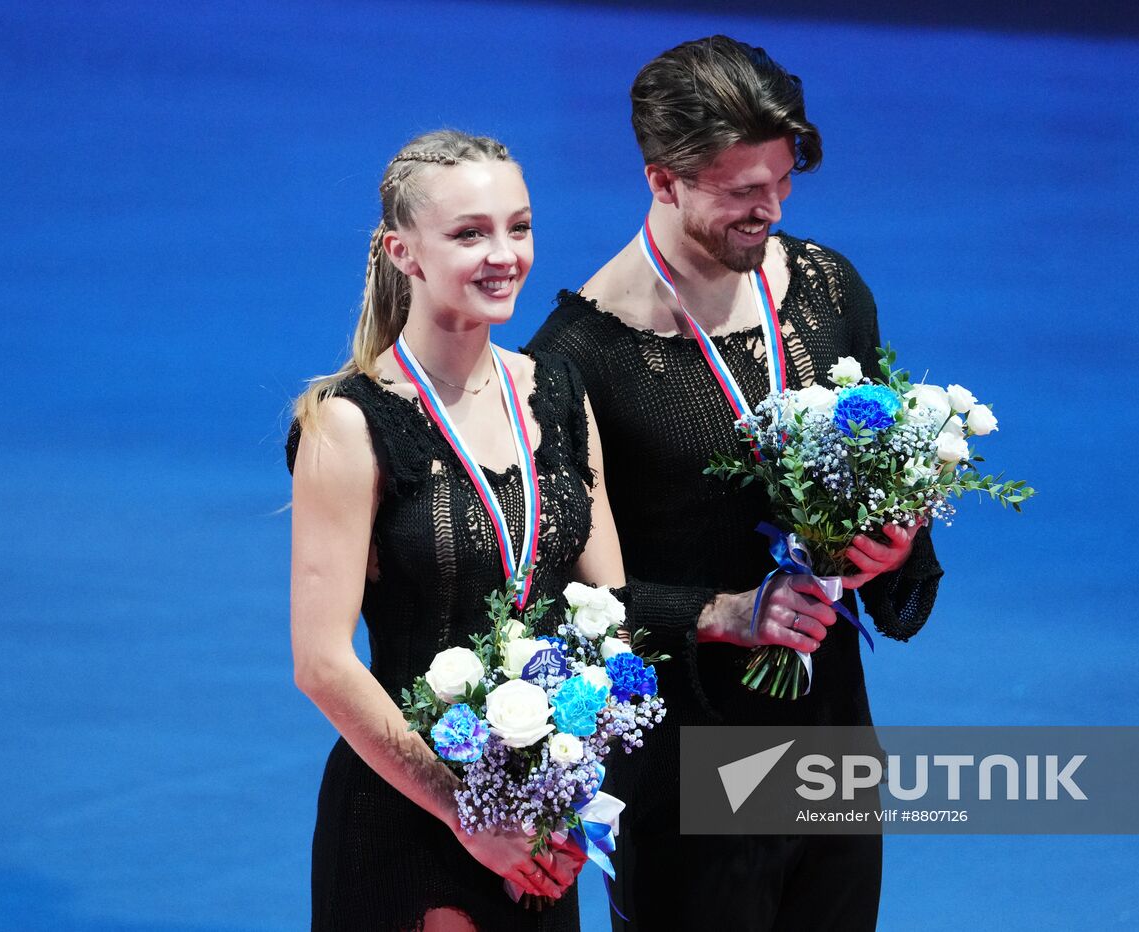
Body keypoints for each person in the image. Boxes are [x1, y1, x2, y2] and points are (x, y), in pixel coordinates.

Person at [526, 37, 944, 931]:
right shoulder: (577, 359)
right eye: (741, 192)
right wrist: (722, 612)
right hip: (688, 771)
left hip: (831, 742)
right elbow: (564, 604)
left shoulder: (828, 290)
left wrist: (894, 546)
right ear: (663, 179)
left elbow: (897, 531)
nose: (771, 210)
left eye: (783, 183)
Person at [287, 129, 621, 931]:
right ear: (404, 252)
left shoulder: (558, 393)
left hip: (535, 821)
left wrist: (566, 789)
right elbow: (322, 664)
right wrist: (465, 811)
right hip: (407, 818)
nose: (503, 253)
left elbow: (608, 610)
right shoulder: (347, 424)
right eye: (470, 233)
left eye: (519, 226)